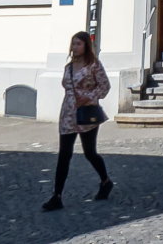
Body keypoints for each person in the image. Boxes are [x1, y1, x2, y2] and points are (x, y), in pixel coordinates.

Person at [44, 31, 114, 211]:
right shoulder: (68, 67)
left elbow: (105, 86)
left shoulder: (93, 65)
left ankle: (105, 181)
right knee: (64, 155)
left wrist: (89, 97)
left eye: (78, 44)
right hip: (68, 113)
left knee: (89, 152)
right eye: (73, 44)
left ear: (85, 46)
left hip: (86, 114)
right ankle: (57, 196)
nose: (75, 47)